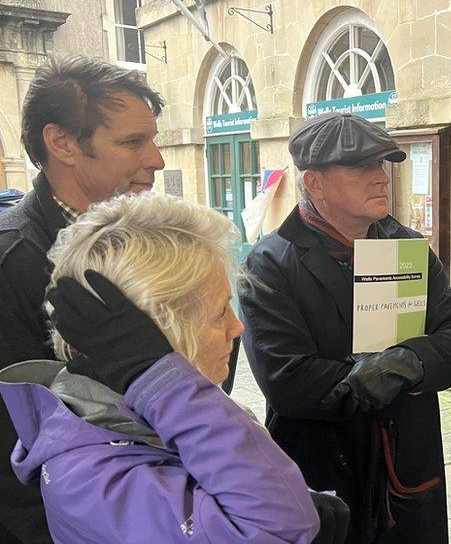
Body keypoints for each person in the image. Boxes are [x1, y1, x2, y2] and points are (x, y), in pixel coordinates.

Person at [0, 193, 331, 543]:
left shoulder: (150, 417)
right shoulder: (95, 481)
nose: (237, 328)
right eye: (220, 312)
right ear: (156, 334)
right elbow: (275, 527)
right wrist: (161, 379)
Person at [239, 112, 451, 543]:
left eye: (382, 164)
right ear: (315, 184)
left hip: (406, 467)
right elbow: (288, 382)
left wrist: (404, 364)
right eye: (361, 166)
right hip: (322, 477)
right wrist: (386, 373)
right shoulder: (269, 264)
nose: (381, 177)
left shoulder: (407, 248)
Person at [0, 55, 164, 543]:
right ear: (62, 143)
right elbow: (11, 446)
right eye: (133, 142)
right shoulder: (13, 263)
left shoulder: (149, 239)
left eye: (153, 139)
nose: (156, 158)